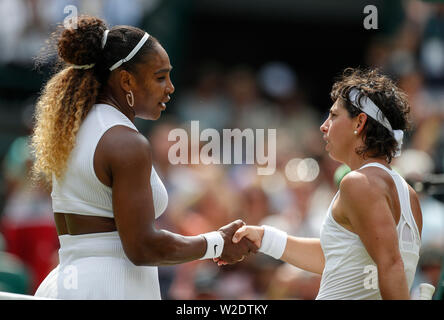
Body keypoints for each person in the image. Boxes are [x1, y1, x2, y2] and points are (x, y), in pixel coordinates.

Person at [30, 15, 256, 299]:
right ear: (126, 80)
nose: (170, 88)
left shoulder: (73, 128)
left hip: (66, 286)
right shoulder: (126, 142)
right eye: (160, 77)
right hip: (110, 289)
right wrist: (217, 243)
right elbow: (143, 247)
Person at [223, 68, 423, 300]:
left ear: (359, 123)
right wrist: (265, 238)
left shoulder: (358, 183)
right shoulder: (408, 193)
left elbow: (391, 265)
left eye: (334, 116)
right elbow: (339, 260)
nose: (323, 126)